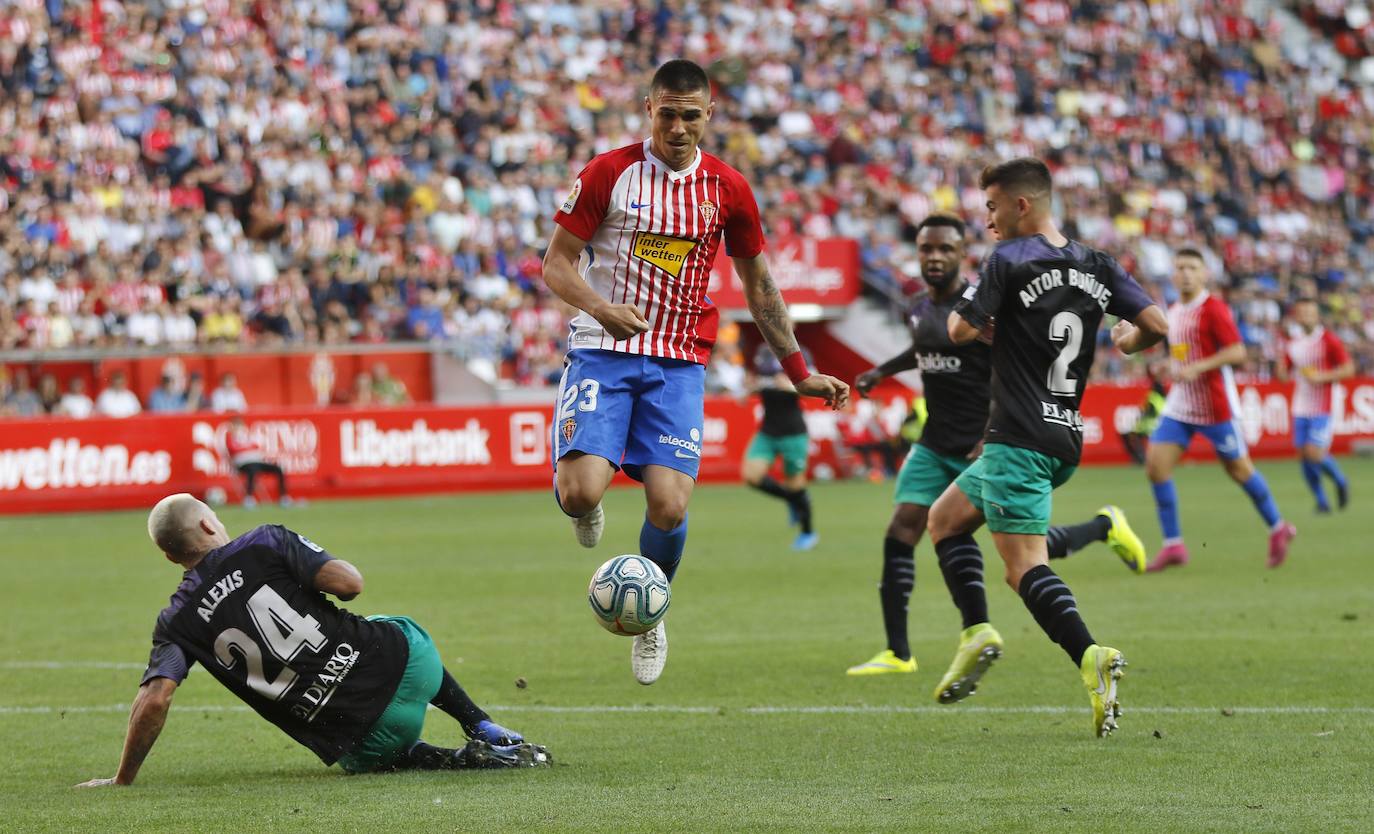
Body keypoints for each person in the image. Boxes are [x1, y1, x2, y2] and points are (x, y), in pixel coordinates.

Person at [541, 59, 849, 685]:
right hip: (603, 345)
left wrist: (797, 370)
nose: (678, 127)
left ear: (709, 115)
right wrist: (601, 307)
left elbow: (758, 283)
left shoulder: (728, 189)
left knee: (671, 508)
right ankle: (578, 498)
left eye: (690, 115)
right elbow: (556, 264)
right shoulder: (609, 173)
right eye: (667, 113)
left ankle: (650, 613)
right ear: (647, 108)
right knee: (581, 493)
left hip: (679, 360)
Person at [844, 213, 1149, 678]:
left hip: (988, 441)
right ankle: (900, 651)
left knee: (1023, 552)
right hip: (935, 443)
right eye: (926, 249)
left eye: (945, 249)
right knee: (903, 528)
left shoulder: (987, 301)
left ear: (962, 252)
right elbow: (924, 348)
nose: (934, 257)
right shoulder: (917, 308)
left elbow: (1017, 367)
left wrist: (991, 432)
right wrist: (881, 372)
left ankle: (1102, 527)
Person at [926, 158, 1168, 736]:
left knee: (1022, 569)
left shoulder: (1009, 259)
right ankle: (976, 631)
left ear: (1021, 205)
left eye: (990, 207)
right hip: (1062, 433)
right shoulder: (1099, 264)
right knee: (946, 519)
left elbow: (958, 330)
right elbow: (1156, 325)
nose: (986, 221)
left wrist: (987, 319)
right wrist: (1126, 340)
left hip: (1016, 436)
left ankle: (1091, 657)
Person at [76, 494, 548, 787]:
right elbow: (350, 584)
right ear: (206, 526)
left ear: (168, 555)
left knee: (375, 753)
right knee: (392, 623)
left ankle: (455, 759)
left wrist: (123, 779)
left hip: (362, 741)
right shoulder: (263, 540)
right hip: (408, 669)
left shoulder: (175, 622)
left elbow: (154, 701)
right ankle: (480, 725)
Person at [1145, 249, 1297, 571]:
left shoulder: (1214, 309)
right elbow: (1182, 353)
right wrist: (1169, 365)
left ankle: (1278, 527)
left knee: (1239, 470)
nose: (1185, 273)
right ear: (1173, 274)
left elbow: (1238, 352)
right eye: (1180, 267)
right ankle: (1173, 545)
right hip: (1181, 403)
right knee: (1156, 467)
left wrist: (1197, 367)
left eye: (1192, 268)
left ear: (1204, 274)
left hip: (1215, 406)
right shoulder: (1173, 309)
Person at [1277, 297, 1353, 513]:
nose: (1306, 316)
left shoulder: (1329, 340)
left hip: (1323, 405)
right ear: (1297, 316)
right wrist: (1282, 370)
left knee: (1314, 452)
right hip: (1300, 405)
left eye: (1310, 312)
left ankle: (1340, 480)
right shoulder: (1294, 342)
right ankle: (1321, 502)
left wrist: (1323, 377)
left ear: (1317, 315)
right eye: (1302, 313)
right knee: (1303, 455)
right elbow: (1284, 372)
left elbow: (1348, 369)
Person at [741, 345, 817, 551]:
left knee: (796, 485)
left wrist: (790, 387)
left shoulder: (802, 353)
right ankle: (792, 500)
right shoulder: (761, 353)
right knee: (751, 476)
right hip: (768, 431)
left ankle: (808, 532)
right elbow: (750, 389)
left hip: (793, 432)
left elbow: (813, 389)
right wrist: (749, 388)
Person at [225, 413, 292, 508]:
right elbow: (234, 449)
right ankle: (248, 498)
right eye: (236, 425)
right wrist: (247, 447)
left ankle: (283, 497)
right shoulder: (230, 438)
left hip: (256, 460)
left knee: (278, 468)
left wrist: (245, 447)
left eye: (240, 425)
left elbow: (256, 447)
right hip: (243, 463)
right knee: (253, 469)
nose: (238, 428)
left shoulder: (247, 436)